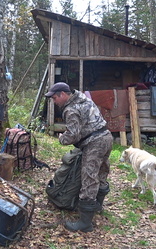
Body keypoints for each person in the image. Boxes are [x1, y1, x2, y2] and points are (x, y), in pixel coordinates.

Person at [45, 82, 113, 232]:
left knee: (89, 179)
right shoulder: (82, 97)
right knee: (101, 171)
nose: (54, 102)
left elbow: (73, 135)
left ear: (63, 94)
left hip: (94, 143)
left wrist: (62, 138)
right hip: (106, 136)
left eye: (55, 98)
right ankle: (97, 206)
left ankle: (85, 223)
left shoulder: (70, 110)